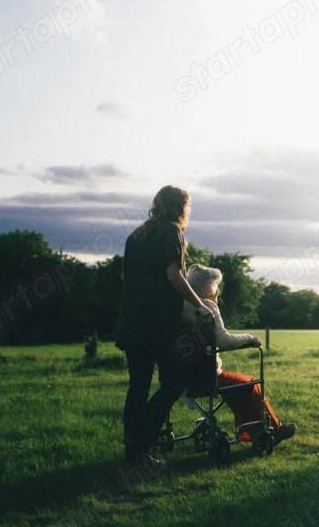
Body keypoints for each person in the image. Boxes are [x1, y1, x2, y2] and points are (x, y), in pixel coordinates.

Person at [116, 185, 212, 466]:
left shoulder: (137, 235)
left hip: (131, 321)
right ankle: (141, 440)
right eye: (188, 206)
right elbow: (174, 276)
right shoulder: (171, 231)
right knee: (174, 383)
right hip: (157, 324)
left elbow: (125, 276)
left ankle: (134, 451)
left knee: (138, 386)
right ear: (181, 206)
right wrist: (199, 304)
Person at [182, 264, 296, 445]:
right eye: (216, 287)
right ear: (208, 288)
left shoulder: (180, 305)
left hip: (180, 376)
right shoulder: (207, 306)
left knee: (237, 387)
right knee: (250, 384)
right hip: (205, 376)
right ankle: (273, 429)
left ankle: (249, 431)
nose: (218, 292)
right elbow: (224, 341)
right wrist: (251, 339)